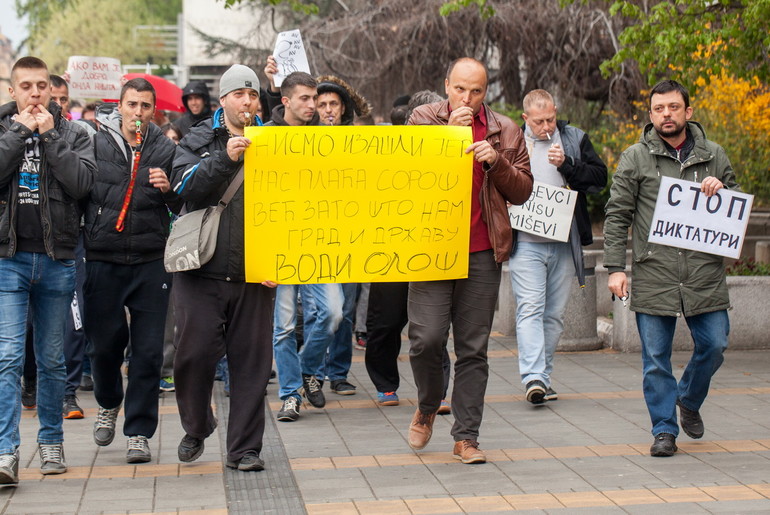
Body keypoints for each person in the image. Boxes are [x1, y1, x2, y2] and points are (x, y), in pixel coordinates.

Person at [406, 57, 532, 464]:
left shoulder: (506, 129)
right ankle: (427, 404)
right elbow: (406, 171)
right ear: (446, 86)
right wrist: (449, 135)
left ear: (486, 91)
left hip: (481, 250)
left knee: (473, 348)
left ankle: (466, 437)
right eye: (460, 89)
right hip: (432, 248)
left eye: (476, 91)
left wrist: (497, 163)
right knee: (425, 340)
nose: (467, 98)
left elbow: (523, 192)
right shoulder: (423, 118)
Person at [604, 79, 738, 457]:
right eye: (659, 109)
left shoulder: (715, 155)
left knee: (715, 344)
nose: (667, 114)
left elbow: (735, 212)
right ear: (651, 115)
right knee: (655, 360)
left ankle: (689, 399)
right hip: (654, 272)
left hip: (704, 273)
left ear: (688, 112)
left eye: (673, 108)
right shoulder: (635, 157)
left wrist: (723, 193)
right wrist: (616, 267)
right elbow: (617, 215)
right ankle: (664, 430)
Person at [170, 64, 276, 472]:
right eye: (239, 95)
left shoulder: (273, 141)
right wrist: (224, 159)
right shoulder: (200, 138)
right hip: (202, 271)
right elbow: (184, 186)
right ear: (224, 100)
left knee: (251, 365)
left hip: (256, 273)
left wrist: (281, 258)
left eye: (253, 95)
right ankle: (197, 425)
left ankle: (245, 450)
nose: (247, 102)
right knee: (193, 357)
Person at [0, 56, 96, 484]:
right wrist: (20, 132)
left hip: (58, 258)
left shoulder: (74, 132)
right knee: (7, 358)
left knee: (54, 359)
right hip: (9, 260)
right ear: (13, 91)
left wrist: (50, 136)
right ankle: (6, 452)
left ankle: (52, 440)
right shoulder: (4, 129)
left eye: (42, 86)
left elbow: (81, 184)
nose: (36, 94)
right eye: (27, 86)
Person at [83, 78, 180, 464]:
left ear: (153, 111)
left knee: (148, 352)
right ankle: (109, 401)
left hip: (150, 258)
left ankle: (139, 431)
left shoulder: (164, 147)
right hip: (103, 255)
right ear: (118, 107)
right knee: (103, 345)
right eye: (131, 105)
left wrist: (169, 188)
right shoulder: (95, 141)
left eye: (144, 106)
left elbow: (184, 198)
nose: (137, 113)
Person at [512, 89, 607, 405]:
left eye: (551, 119)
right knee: (530, 308)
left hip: (564, 243)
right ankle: (533, 377)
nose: (546, 127)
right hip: (525, 242)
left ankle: (544, 377)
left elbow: (598, 179)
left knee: (553, 315)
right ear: (526, 119)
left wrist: (568, 165)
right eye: (539, 122)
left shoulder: (572, 138)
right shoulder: (512, 140)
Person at [259, 71, 342, 422]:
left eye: (316, 98)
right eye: (306, 99)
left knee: (334, 312)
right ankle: (290, 394)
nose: (314, 105)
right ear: (286, 101)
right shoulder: (266, 137)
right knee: (284, 325)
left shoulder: (327, 137)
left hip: (319, 241)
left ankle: (309, 368)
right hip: (279, 242)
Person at [365, 91, 453, 413]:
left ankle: (437, 392)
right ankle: (385, 383)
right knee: (385, 324)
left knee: (433, 329)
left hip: (432, 251)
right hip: (389, 252)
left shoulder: (454, 151)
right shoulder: (386, 155)